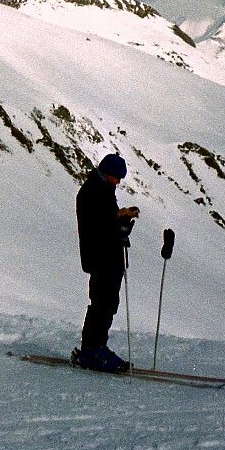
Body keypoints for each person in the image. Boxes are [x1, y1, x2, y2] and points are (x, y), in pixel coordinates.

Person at [72, 152, 139, 373]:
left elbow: (106, 221)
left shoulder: (102, 189)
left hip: (108, 255)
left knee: (107, 303)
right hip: (101, 256)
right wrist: (119, 222)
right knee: (101, 303)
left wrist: (121, 222)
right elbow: (98, 225)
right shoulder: (93, 191)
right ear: (107, 172)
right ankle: (91, 350)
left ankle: (97, 347)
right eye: (117, 176)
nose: (118, 181)